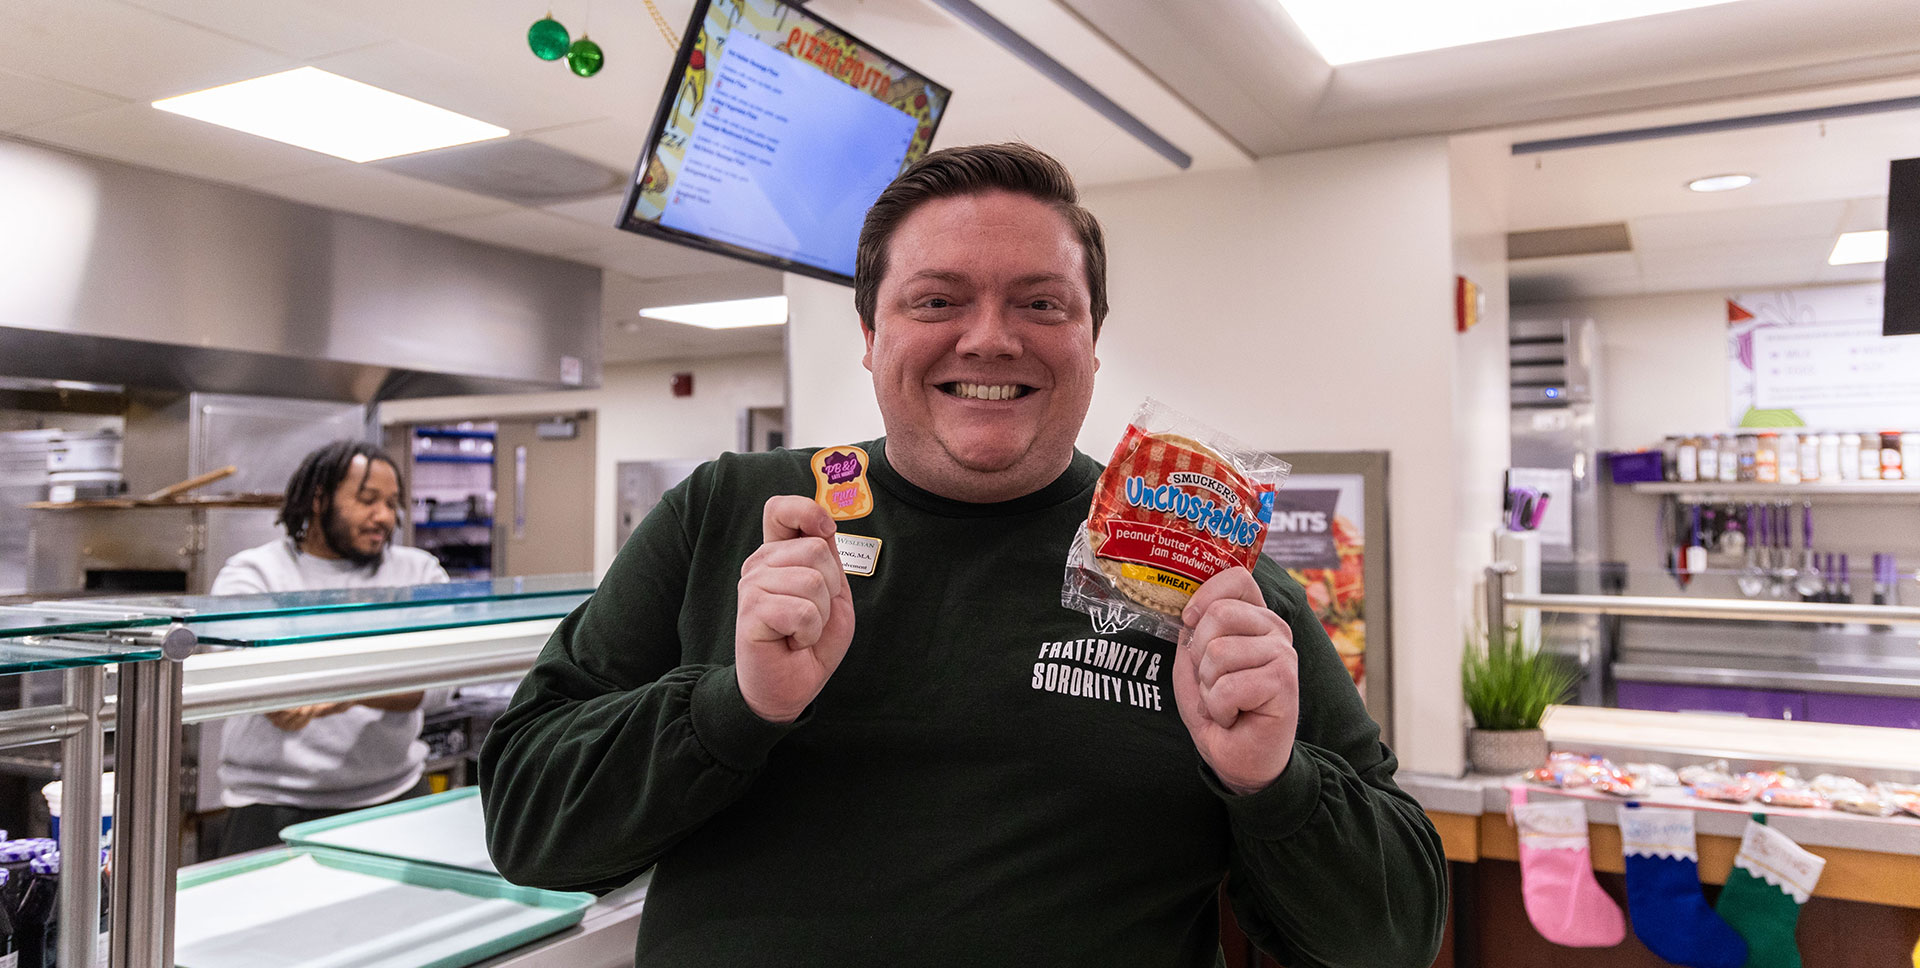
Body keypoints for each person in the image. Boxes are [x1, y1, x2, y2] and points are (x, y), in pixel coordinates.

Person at [479, 143, 1447, 966]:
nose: (990, 339)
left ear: (1093, 341)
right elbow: (525, 817)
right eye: (938, 299)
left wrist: (1273, 784)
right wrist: (732, 706)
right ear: (869, 334)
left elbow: (1397, 930)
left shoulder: (1197, 569)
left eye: (1041, 304)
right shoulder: (731, 513)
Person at [210, 439, 449, 855]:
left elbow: (438, 685)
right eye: (368, 500)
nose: (384, 517)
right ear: (319, 500)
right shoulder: (255, 573)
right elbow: (240, 672)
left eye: (392, 503)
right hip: (271, 805)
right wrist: (369, 676)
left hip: (396, 796)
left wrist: (343, 691)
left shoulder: (418, 572)